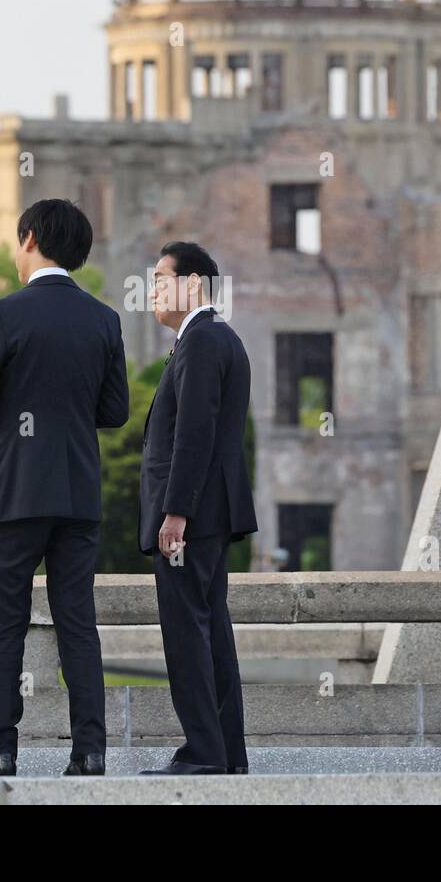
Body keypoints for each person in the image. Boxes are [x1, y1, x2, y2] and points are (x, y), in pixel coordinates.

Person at [0, 199, 129, 777]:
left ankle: (2, 749)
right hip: (78, 492)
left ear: (29, 238)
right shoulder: (104, 319)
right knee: (78, 621)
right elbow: (116, 410)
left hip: (16, 493)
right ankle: (90, 749)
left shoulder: (5, 313)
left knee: (4, 624)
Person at [137, 241, 258, 775]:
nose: (154, 289)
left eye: (161, 279)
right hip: (208, 515)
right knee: (210, 633)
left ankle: (204, 754)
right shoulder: (212, 339)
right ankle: (226, 755)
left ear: (194, 285)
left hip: (192, 518)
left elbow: (194, 433)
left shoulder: (203, 340)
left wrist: (175, 513)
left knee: (189, 634)